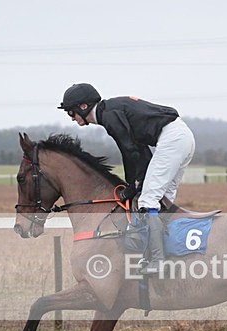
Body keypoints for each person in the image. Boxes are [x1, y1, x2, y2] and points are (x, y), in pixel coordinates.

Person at [58, 83, 196, 275]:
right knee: (162, 199)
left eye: (71, 113)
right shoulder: (111, 111)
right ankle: (167, 252)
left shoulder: (108, 116)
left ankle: (157, 259)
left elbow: (129, 151)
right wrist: (137, 183)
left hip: (172, 139)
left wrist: (132, 185)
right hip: (181, 137)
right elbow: (140, 153)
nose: (72, 118)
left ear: (83, 106)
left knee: (148, 200)